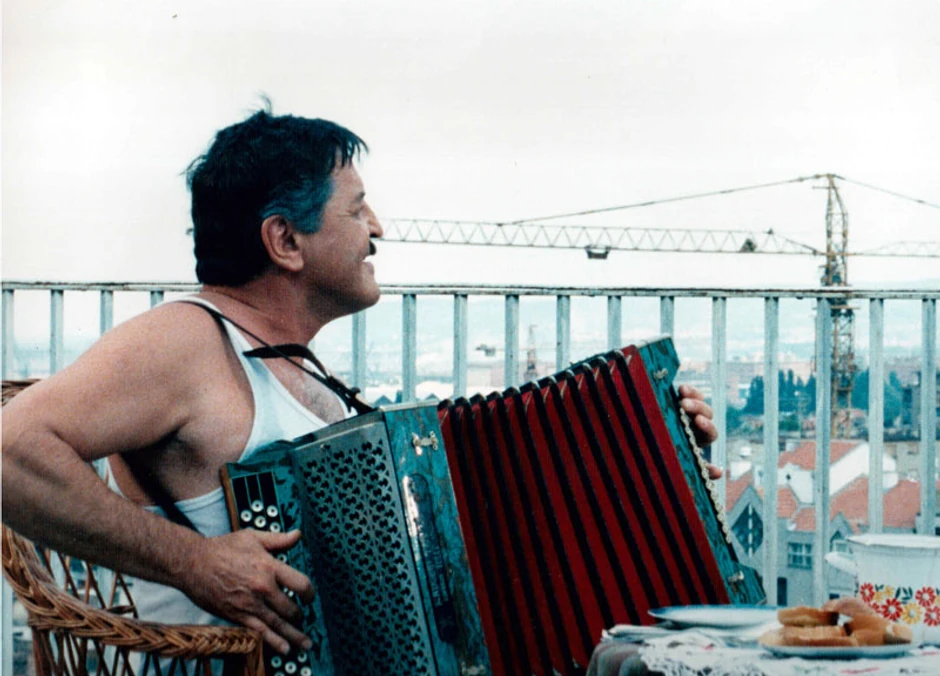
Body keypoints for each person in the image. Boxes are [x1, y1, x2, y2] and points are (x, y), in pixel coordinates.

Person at [1, 108, 720, 655]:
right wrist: (195, 564)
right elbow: (9, 451)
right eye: (355, 208)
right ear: (286, 241)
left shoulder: (300, 369)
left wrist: (653, 453)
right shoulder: (187, 340)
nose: (379, 228)